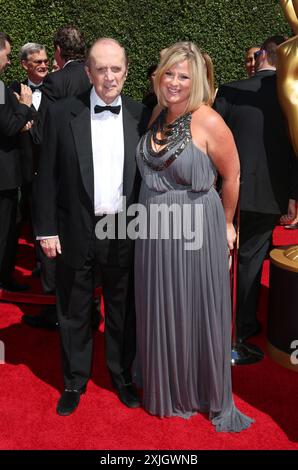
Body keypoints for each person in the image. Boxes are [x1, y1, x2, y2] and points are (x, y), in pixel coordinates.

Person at [134, 41, 253, 432]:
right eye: (169, 73)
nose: (174, 81)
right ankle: (163, 381)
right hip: (153, 228)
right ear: (158, 75)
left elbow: (232, 175)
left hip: (194, 227)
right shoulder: (156, 113)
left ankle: (195, 388)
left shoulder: (209, 120)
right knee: (158, 304)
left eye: (184, 76)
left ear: (197, 80)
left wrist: (228, 222)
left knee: (193, 307)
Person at [34, 37, 150, 416]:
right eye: (101, 68)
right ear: (87, 72)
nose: (109, 76)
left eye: (116, 68)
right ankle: (74, 380)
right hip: (74, 227)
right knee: (74, 308)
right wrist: (46, 229)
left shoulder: (140, 114)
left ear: (126, 71)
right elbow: (45, 176)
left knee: (123, 308)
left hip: (123, 227)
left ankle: (121, 375)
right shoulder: (62, 112)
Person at [214, 35, 298, 359]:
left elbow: (211, 140)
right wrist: (292, 195)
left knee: (221, 260)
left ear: (261, 55)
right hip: (269, 195)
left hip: (227, 194)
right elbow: (295, 151)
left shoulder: (232, 91)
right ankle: (242, 324)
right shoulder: (291, 98)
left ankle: (216, 320)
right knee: (249, 262)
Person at [22, 26, 91, 330]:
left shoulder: (55, 80)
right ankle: (91, 308)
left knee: (51, 238)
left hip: (58, 171)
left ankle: (54, 310)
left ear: (59, 52)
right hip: (90, 172)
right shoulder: (93, 76)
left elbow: (41, 133)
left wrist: (26, 111)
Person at [0, 32, 33, 293]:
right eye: (8, 54)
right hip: (4, 177)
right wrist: (24, 106)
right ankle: (4, 279)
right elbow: (9, 126)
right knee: (5, 231)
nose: (9, 61)